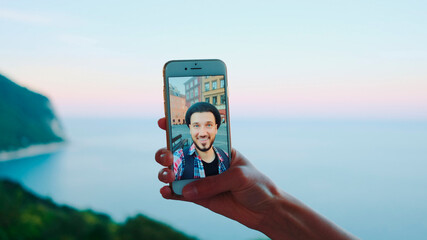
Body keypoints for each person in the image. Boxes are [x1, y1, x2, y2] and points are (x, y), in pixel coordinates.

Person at [155, 118, 358, 240]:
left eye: (208, 124)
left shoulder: (219, 158)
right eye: (196, 125)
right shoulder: (184, 157)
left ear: (217, 127)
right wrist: (269, 208)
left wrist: (269, 210)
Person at [173, 102, 230, 180]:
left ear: (215, 128)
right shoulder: (179, 158)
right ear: (190, 129)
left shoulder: (227, 157)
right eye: (196, 126)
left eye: (209, 125)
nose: (202, 133)